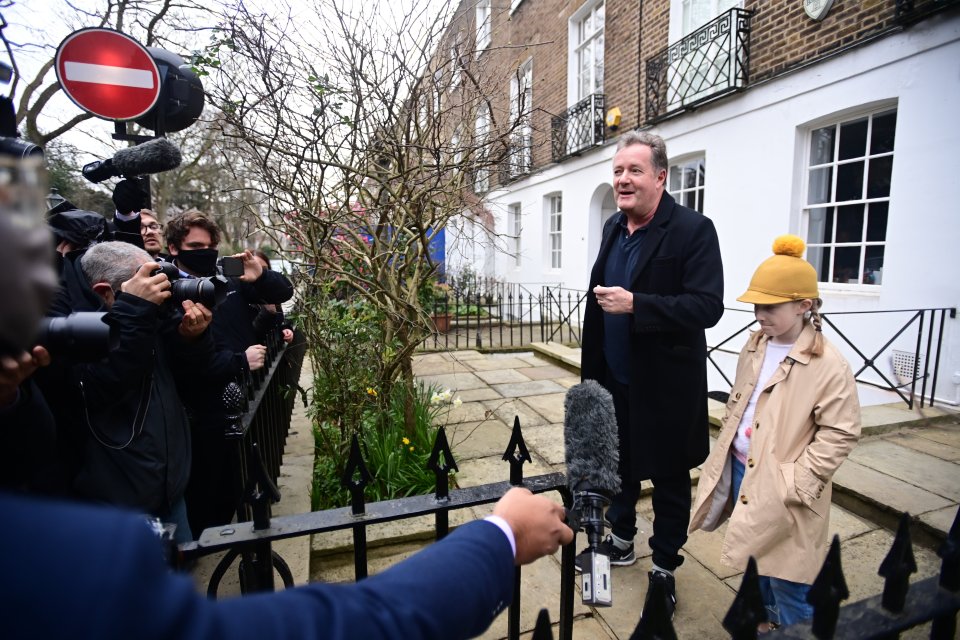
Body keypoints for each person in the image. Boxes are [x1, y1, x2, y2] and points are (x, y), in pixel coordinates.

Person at [2, 156, 575, 640]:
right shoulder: (64, 564)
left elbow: (271, 298)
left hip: (166, 460)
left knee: (194, 537)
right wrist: (499, 538)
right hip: (151, 457)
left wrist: (242, 290)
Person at [578, 130, 724, 617]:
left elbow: (707, 306)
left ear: (660, 176)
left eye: (634, 170)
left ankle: (664, 566)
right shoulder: (612, 229)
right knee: (618, 465)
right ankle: (621, 540)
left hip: (665, 386)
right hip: (614, 378)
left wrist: (637, 304)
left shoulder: (692, 230)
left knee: (667, 475)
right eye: (618, 171)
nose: (623, 179)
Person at [689, 235, 861, 629]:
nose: (759, 314)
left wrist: (798, 480)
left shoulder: (828, 364)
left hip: (785, 482)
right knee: (757, 558)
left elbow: (842, 431)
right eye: (755, 305)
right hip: (743, 467)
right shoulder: (756, 343)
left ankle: (797, 631)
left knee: (791, 577)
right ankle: (764, 624)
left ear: (805, 306)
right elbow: (744, 400)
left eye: (770, 306)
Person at [41, 241, 214, 544]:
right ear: (104, 291)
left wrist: (192, 339)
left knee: (181, 584)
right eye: (144, 287)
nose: (156, 296)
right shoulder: (73, 326)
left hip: (171, 494)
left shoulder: (149, 317)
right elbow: (97, 388)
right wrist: (134, 310)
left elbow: (193, 378)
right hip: (114, 511)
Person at [164, 211, 295, 535]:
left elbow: (283, 293)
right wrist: (238, 360)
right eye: (196, 245)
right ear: (174, 248)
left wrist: (260, 275)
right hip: (201, 407)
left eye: (211, 245)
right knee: (211, 493)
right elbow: (185, 359)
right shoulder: (167, 288)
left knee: (245, 477)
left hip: (245, 392)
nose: (206, 251)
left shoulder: (227, 276)